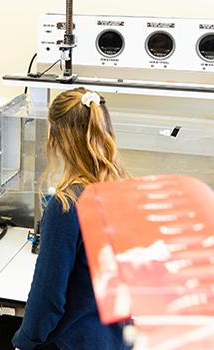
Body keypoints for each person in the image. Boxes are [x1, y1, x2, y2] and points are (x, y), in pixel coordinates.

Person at [12, 88, 130, 350]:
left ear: (56, 138)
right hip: (115, 340)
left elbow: (48, 297)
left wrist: (25, 341)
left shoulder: (66, 205)